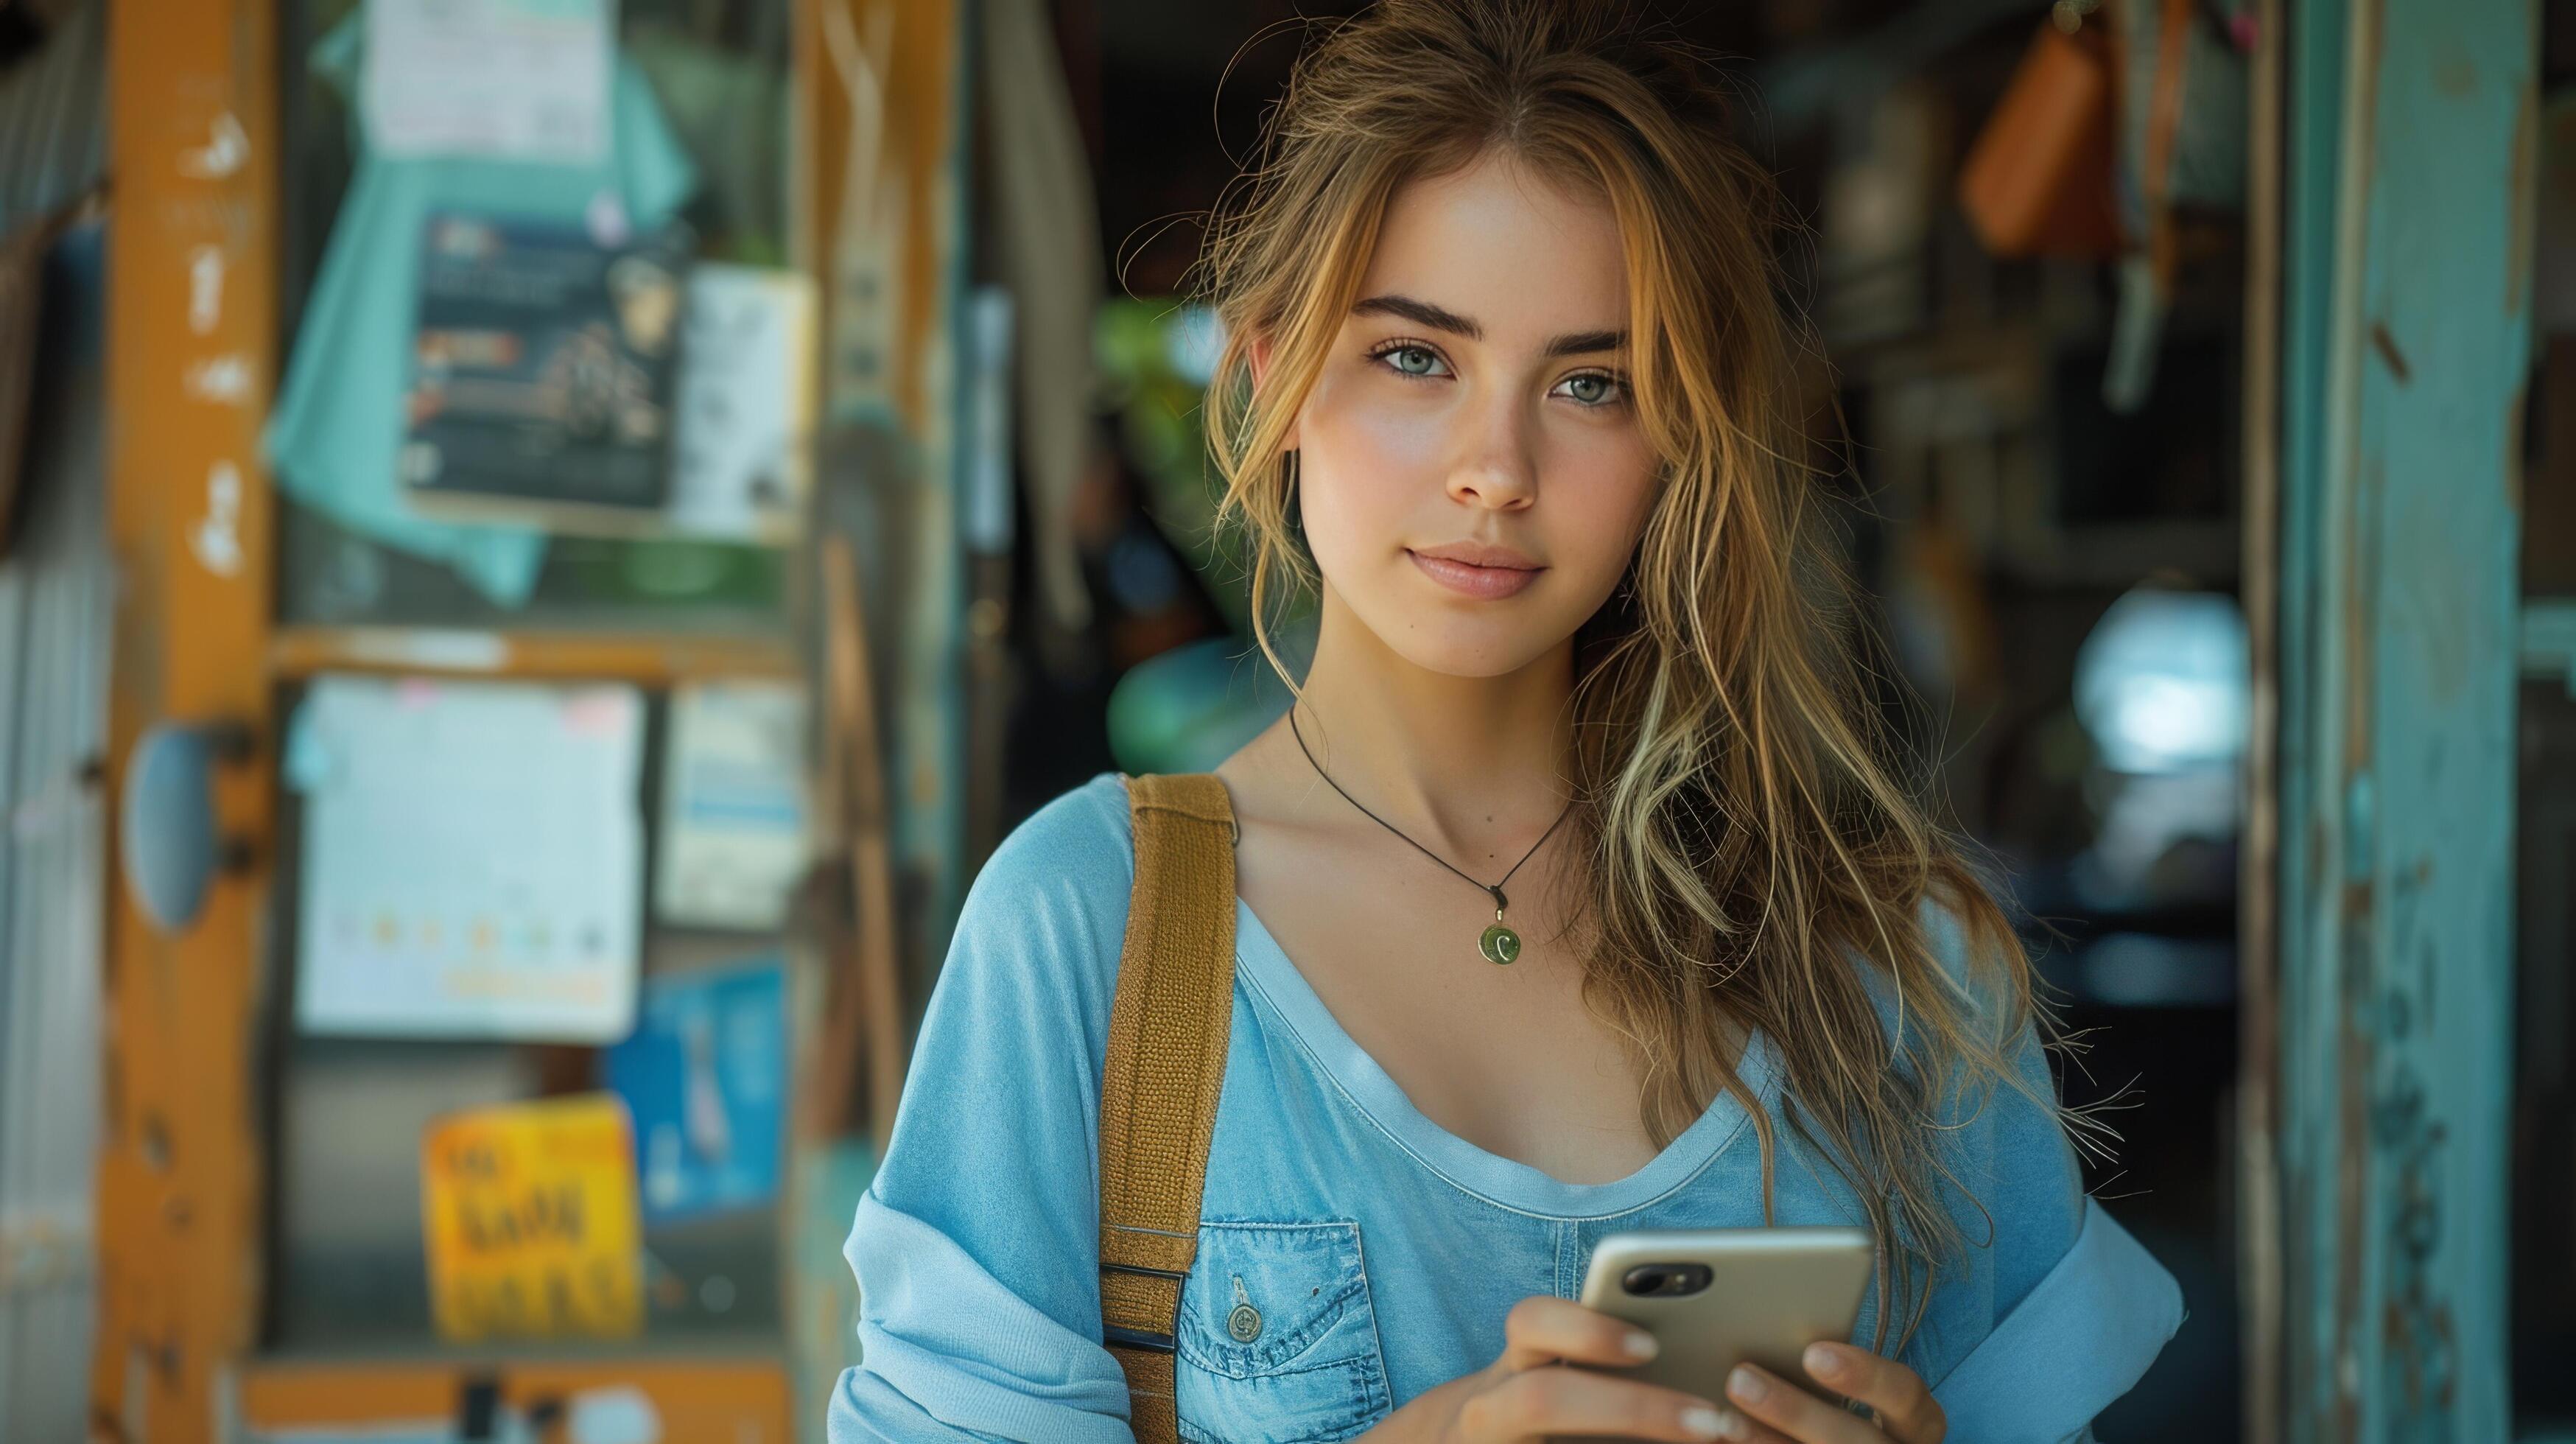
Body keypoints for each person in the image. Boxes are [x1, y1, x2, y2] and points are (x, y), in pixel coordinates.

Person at [829, 1, 2182, 1440]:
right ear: (1267, 373)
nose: (1497, 466)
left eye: (1592, 383)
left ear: (1675, 442)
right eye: (1417, 357)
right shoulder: (1094, 931)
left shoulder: (1900, 956)